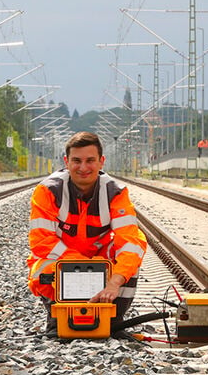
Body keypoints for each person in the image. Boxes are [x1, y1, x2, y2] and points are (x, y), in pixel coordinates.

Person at [27, 132, 147, 336]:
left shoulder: (115, 193)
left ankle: (114, 321)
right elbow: (40, 241)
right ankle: (57, 319)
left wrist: (114, 281)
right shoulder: (48, 191)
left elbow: (130, 241)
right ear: (66, 161)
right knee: (41, 267)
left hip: (99, 260)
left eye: (90, 160)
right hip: (64, 262)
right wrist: (81, 268)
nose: (83, 168)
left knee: (130, 257)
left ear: (101, 162)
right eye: (76, 161)